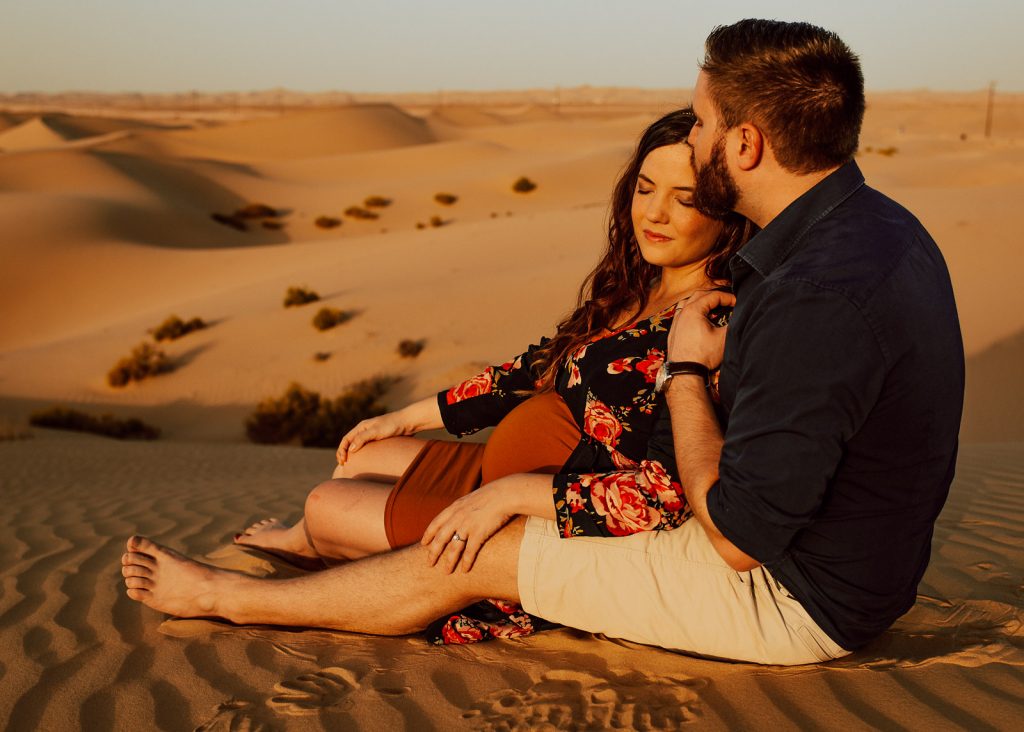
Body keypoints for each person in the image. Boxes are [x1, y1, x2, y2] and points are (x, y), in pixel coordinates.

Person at [122, 19, 964, 666]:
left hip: (791, 598)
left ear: (746, 144)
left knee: (482, 552)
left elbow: (736, 535)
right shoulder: (880, 228)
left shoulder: (804, 297)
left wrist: (677, 373)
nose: (694, 138)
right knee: (405, 495)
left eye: (705, 124)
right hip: (844, 568)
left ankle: (231, 600)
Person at [230, 110, 749, 595]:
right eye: (644, 188)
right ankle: (317, 540)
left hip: (544, 521)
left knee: (326, 505)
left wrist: (510, 493)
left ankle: (324, 546)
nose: (653, 213)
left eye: (685, 199)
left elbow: (661, 495)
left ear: (725, 214)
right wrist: (410, 417)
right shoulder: (636, 289)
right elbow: (533, 368)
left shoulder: (706, 323)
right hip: (502, 481)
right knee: (359, 457)